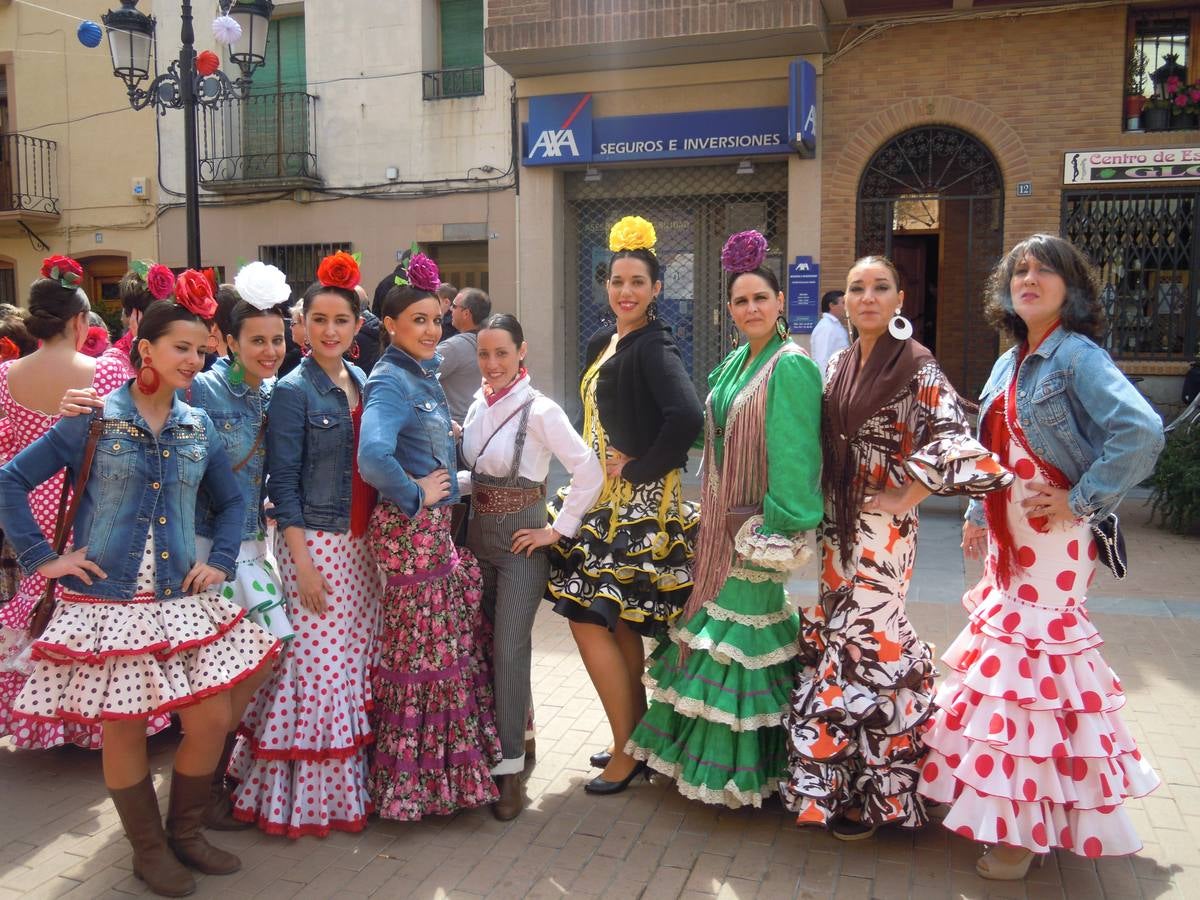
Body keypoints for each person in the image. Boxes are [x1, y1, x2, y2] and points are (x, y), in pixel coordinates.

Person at [0, 288, 280, 898]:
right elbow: (11, 481)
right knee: (123, 726)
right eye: (182, 349)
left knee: (208, 716)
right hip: (109, 603)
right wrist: (42, 560)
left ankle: (187, 833)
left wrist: (223, 563)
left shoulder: (196, 422)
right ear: (144, 348)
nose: (193, 362)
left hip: (182, 599)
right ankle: (147, 850)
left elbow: (231, 502)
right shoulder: (91, 418)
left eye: (201, 352)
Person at [917, 234, 1163, 878]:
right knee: (1010, 672)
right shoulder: (1011, 360)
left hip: (1054, 540)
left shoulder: (1076, 356)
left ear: (1071, 287)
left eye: (1044, 271)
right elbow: (988, 447)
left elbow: (1141, 432)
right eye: (1019, 270)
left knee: (1036, 680)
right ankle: (1004, 808)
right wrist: (976, 512)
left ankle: (1024, 832)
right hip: (1010, 534)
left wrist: (1082, 500)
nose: (1029, 279)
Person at [782, 255, 1012, 839]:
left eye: (880, 288)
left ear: (900, 299)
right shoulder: (836, 359)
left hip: (883, 532)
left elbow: (954, 433)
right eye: (857, 288)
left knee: (870, 643)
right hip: (837, 526)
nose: (866, 298)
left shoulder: (916, 363)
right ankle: (849, 783)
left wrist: (911, 491)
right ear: (845, 300)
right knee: (844, 641)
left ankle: (876, 794)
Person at [626, 231, 823, 808]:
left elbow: (796, 453)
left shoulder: (790, 365)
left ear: (781, 301)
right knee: (714, 635)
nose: (751, 309)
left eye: (760, 298)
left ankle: (745, 776)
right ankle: (701, 760)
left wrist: (782, 528)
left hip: (756, 532)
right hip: (718, 524)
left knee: (739, 643)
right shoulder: (741, 358)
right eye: (740, 301)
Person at [546, 215, 703, 795]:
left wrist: (637, 467)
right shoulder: (605, 340)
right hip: (599, 501)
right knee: (613, 627)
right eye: (617, 281)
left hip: (633, 510)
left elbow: (686, 416)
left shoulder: (653, 345)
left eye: (638, 281)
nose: (626, 291)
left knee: (590, 620)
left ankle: (628, 746)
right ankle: (631, 740)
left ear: (657, 288)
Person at [230, 252, 382, 839]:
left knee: (347, 668)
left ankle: (347, 789)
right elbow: (283, 484)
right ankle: (297, 800)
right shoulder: (294, 390)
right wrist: (301, 564)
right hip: (314, 546)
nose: (328, 330)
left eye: (340, 320)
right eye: (318, 320)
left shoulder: (362, 380)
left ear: (355, 326)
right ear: (302, 327)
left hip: (361, 546)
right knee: (315, 670)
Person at [0, 256, 167, 751]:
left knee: (42, 607)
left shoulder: (6, 375)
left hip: (30, 504)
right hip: (89, 505)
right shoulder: (107, 371)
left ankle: (44, 715)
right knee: (94, 615)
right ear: (80, 321)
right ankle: (94, 720)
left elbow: (6, 454)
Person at [357, 253, 501, 820]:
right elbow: (373, 457)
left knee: (434, 647)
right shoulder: (392, 378)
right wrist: (418, 492)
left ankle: (436, 778)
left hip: (430, 531)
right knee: (425, 654)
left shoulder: (419, 373)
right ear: (390, 325)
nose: (429, 328)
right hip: (413, 528)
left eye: (433, 319)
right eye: (416, 319)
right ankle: (419, 785)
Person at [459, 313, 604, 819]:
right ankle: (518, 738)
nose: (492, 363)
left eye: (502, 353)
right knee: (484, 647)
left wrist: (556, 530)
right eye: (484, 354)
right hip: (477, 539)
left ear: (522, 352)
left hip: (522, 543)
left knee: (510, 647)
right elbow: (477, 471)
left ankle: (511, 773)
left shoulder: (540, 410)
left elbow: (589, 470)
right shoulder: (479, 403)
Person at [438, 288, 493, 425]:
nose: (450, 309)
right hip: (482, 424)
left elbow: (415, 370)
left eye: (454, 306)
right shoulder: (491, 343)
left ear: (466, 313)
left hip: (455, 430)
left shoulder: (453, 348)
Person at [810, 290, 849, 379]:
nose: (846, 307)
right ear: (832, 305)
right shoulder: (825, 327)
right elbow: (821, 360)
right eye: (843, 303)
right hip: (831, 385)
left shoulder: (835, 326)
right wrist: (827, 389)